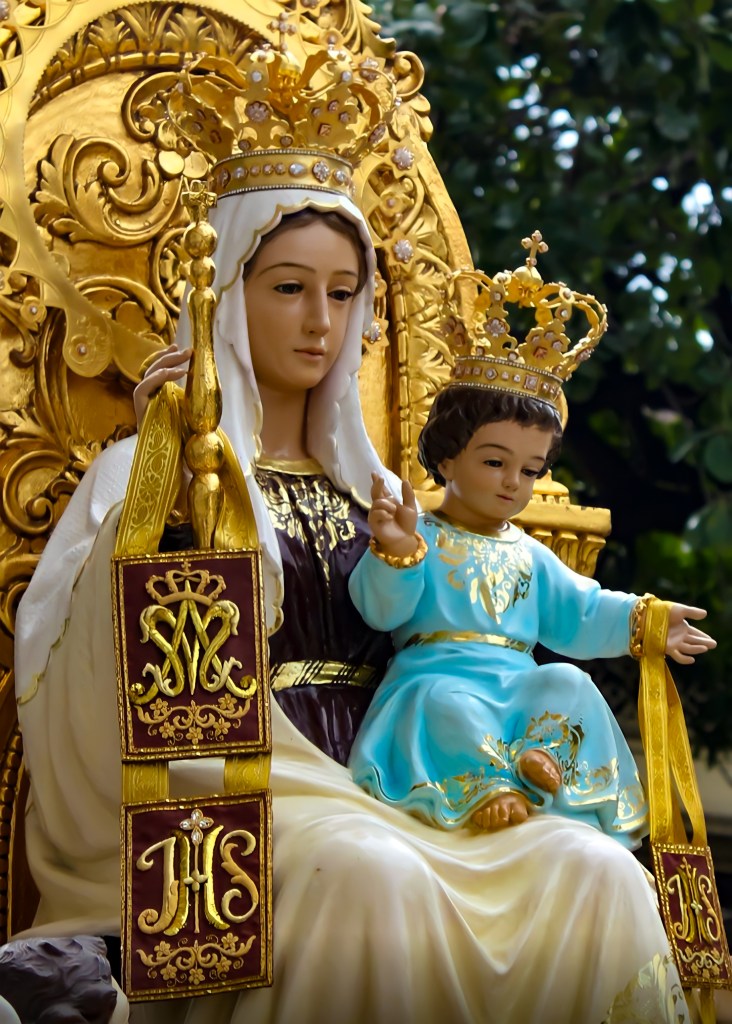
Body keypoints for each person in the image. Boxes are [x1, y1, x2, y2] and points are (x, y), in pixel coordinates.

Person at [11, 56, 696, 1024]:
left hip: (411, 775)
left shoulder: (383, 494)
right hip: (253, 787)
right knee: (374, 877)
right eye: (290, 287)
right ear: (224, 291)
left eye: (343, 294)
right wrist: (172, 468)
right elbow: (103, 677)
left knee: (595, 868)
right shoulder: (154, 469)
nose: (319, 322)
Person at [349, 386, 716, 840]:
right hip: (437, 674)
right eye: (494, 463)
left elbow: (582, 609)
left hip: (516, 685)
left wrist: (646, 621)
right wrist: (398, 550)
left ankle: (542, 753)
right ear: (446, 460)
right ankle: (490, 785)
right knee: (446, 704)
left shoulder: (530, 554)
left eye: (529, 471)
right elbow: (381, 612)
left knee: (569, 681)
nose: (512, 482)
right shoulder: (419, 535)